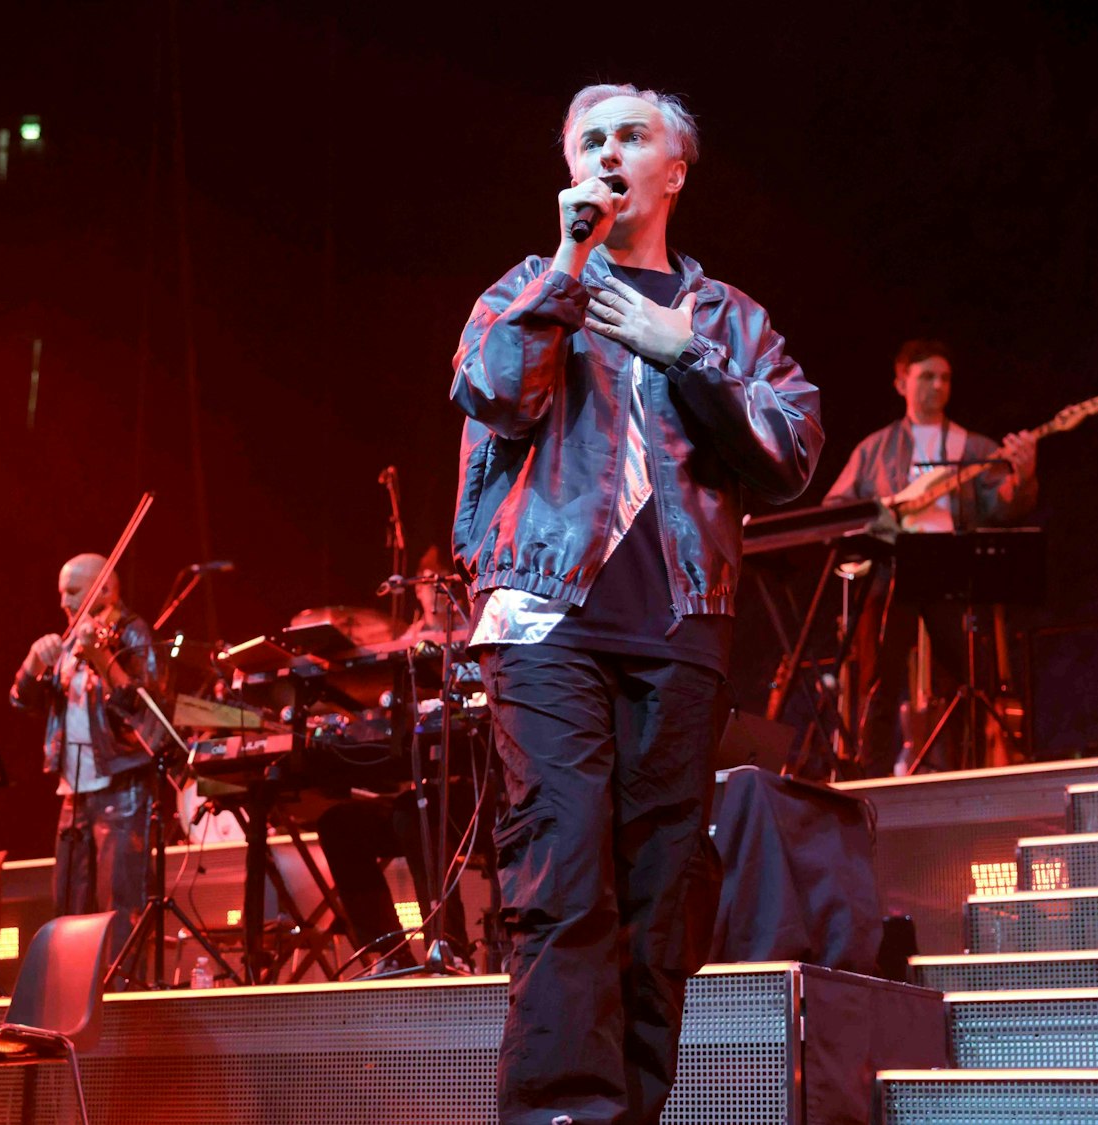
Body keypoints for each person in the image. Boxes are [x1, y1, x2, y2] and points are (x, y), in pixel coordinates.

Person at [450, 83, 822, 1124]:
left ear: (674, 170)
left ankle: (631, 1114)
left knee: (659, 903)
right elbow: (494, 392)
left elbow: (790, 451)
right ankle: (561, 1116)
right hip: (544, 624)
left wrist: (681, 352)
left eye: (631, 136)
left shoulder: (728, 320)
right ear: (571, 172)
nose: (609, 152)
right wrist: (568, 268)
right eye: (589, 140)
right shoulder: (525, 287)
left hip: (680, 629)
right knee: (560, 882)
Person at [824, 339, 1038, 775]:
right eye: (926, 377)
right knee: (879, 678)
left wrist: (1024, 474)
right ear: (901, 383)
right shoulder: (875, 449)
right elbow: (836, 508)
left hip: (951, 570)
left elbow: (1002, 506)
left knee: (962, 679)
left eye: (944, 378)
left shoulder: (973, 447)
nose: (937, 385)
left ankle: (964, 766)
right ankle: (873, 771)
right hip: (892, 569)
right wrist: (883, 514)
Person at [314, 547, 478, 970]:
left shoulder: (477, 629)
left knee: (413, 809)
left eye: (438, 581)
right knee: (340, 824)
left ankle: (450, 949)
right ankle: (388, 953)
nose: (431, 593)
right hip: (422, 797)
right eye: (425, 583)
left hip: (478, 800)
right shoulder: (409, 643)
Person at [11, 553, 165, 918]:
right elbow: (22, 702)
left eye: (74, 592)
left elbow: (141, 705)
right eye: (62, 593)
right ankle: (75, 977)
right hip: (73, 791)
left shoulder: (130, 632)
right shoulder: (67, 645)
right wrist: (32, 664)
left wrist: (101, 655)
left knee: (119, 903)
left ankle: (123, 976)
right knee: (68, 904)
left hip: (120, 783)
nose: (64, 602)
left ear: (107, 590)